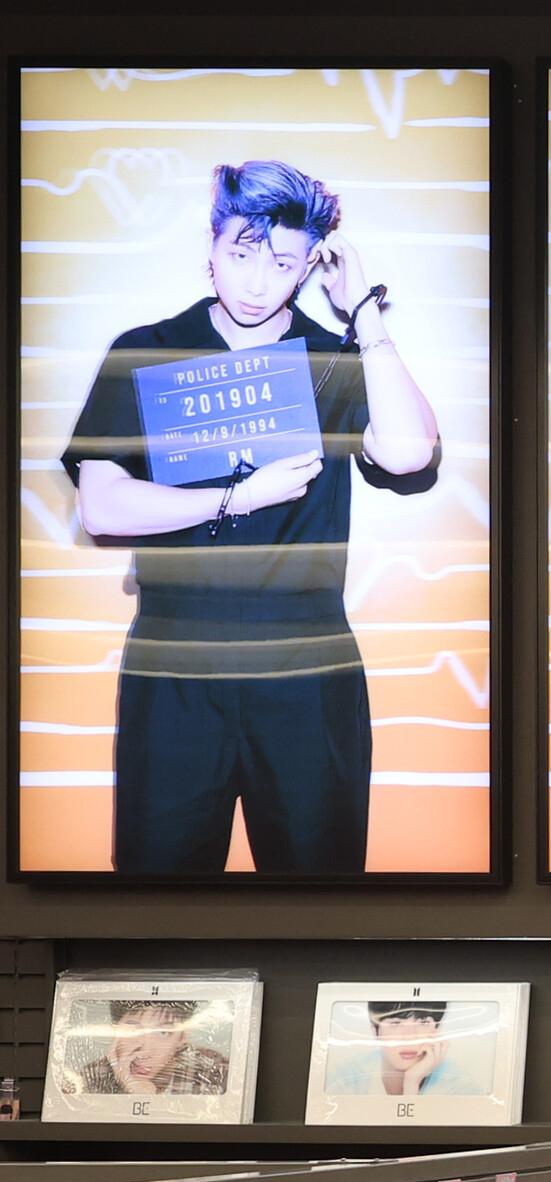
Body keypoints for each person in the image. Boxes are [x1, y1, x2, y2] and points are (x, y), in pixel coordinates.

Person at [61, 159, 441, 874]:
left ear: (308, 268)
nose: (259, 282)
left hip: (307, 660)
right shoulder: (146, 351)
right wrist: (239, 497)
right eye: (241, 255)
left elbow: (410, 453)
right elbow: (101, 503)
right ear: (211, 248)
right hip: (175, 660)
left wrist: (363, 315)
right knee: (157, 903)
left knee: (320, 900)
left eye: (284, 263)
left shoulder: (333, 359)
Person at [68, 998, 231, 1097]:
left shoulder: (214, 1072)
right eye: (132, 1029)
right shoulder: (92, 1078)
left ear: (182, 1038)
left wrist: (148, 1098)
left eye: (163, 1032)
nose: (145, 1051)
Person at [324, 999, 488, 1097]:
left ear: (437, 1030)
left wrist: (411, 1083)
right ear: (375, 1030)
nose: (410, 1036)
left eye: (423, 1022)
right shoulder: (345, 1079)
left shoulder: (460, 1086)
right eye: (396, 1023)